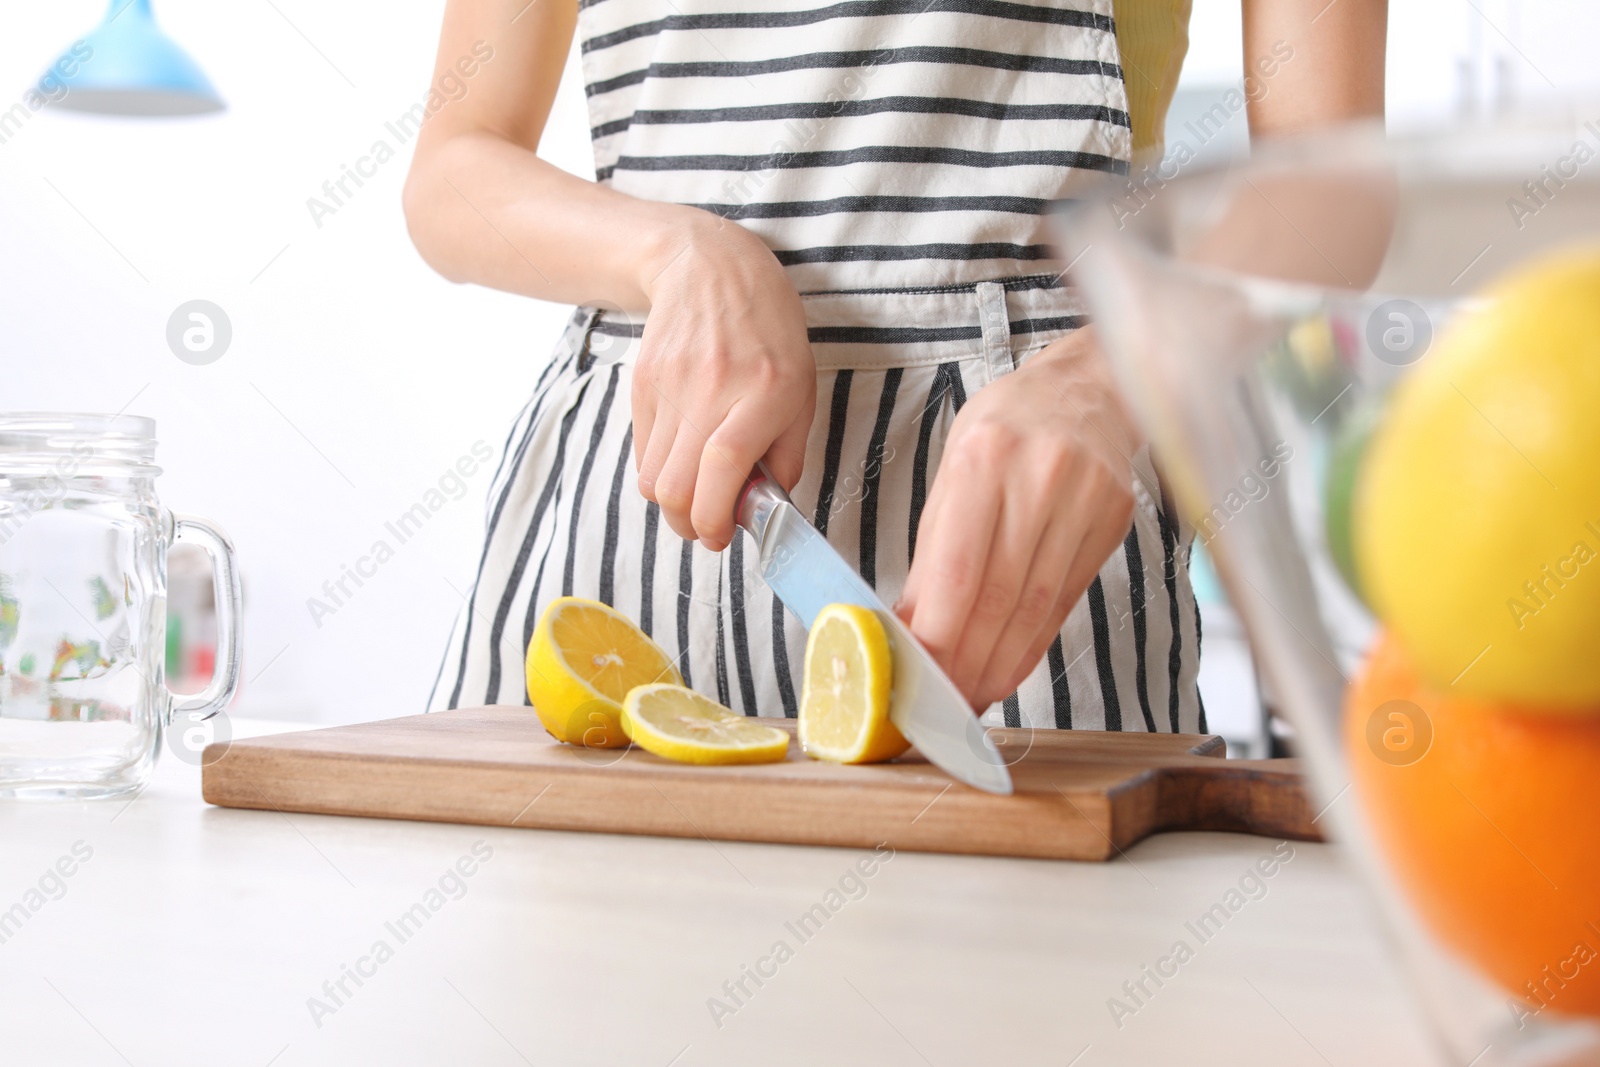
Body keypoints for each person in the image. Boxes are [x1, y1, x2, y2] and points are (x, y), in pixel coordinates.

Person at [405, 0, 1385, 728]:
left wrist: (1112, 375)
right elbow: (454, 167)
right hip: (635, 494)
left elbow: (1330, 187)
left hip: (1017, 520)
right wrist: (673, 256)